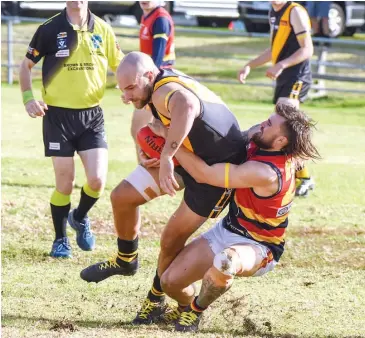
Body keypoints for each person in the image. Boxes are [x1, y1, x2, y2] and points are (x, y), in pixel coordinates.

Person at [79, 51, 246, 324]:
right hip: (190, 156)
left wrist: (167, 155)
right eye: (123, 90)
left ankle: (156, 299)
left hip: (213, 177)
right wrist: (160, 136)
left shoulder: (163, 91)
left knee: (170, 240)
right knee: (122, 197)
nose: (128, 95)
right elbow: (172, 120)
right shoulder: (155, 87)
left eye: (131, 87)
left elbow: (187, 104)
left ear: (148, 75)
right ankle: (125, 259)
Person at [149, 103, 321, 332]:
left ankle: (196, 311)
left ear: (280, 142)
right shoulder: (262, 140)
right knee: (169, 282)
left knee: (226, 261)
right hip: (228, 230)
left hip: (260, 246)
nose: (262, 124)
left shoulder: (266, 172)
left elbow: (205, 174)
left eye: (269, 124)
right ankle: (185, 306)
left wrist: (169, 140)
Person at [19, 1, 123, 258]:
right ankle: (60, 240)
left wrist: (132, 88)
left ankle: (79, 217)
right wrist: (29, 99)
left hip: (92, 116)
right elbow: (25, 66)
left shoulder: (103, 29)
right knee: (65, 184)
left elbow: (120, 66)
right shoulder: (50, 28)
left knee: (97, 181)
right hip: (57, 116)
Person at [237, 0, 315, 197]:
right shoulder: (274, 11)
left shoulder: (295, 11)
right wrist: (250, 65)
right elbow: (275, 50)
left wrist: (281, 65)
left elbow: (307, 49)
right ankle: (300, 176)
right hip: (284, 78)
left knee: (285, 126)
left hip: (297, 76)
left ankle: (302, 178)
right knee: (285, 129)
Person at [131, 1, 176, 161]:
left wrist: (143, 85)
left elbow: (157, 60)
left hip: (157, 83)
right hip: (152, 81)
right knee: (142, 131)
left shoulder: (160, 19)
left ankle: (146, 174)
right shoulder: (148, 15)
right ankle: (146, 174)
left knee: (140, 130)